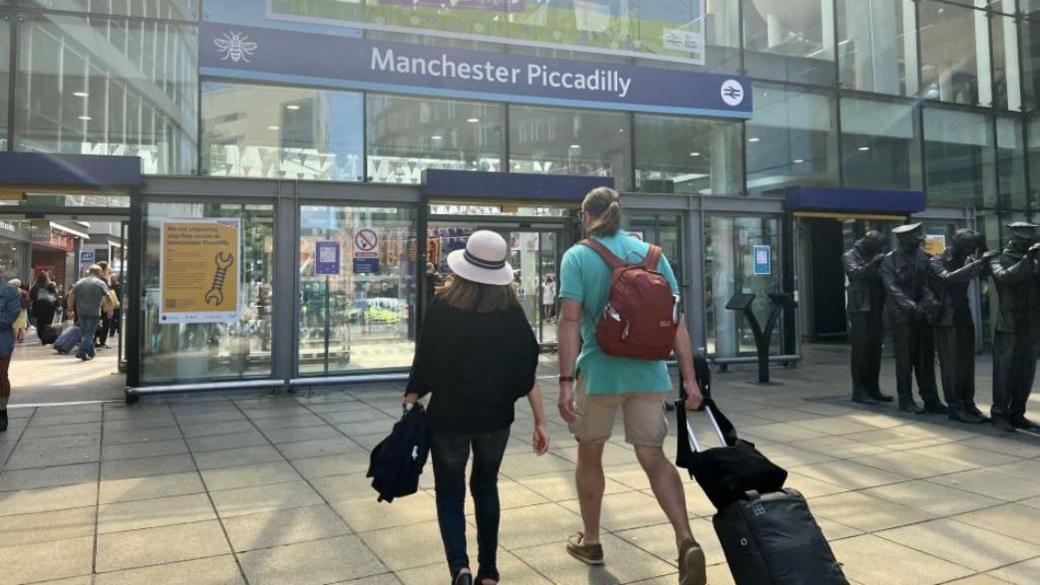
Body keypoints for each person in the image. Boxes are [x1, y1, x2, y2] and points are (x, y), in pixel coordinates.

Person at [556, 187, 706, 585]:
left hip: (600, 373)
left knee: (590, 453)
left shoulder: (578, 256)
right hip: (649, 374)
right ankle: (686, 539)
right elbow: (676, 321)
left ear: (586, 216)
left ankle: (591, 540)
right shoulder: (652, 255)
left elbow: (569, 321)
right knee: (654, 457)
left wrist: (566, 382)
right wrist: (689, 378)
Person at [404, 230, 549, 585]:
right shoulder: (511, 313)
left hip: (449, 417)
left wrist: (411, 400)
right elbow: (527, 366)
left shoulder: (443, 307)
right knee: (486, 487)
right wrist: (540, 420)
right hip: (494, 418)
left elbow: (426, 362)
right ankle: (489, 570)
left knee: (449, 492)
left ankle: (461, 567)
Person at [929, 229, 997, 424]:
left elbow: (984, 275)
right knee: (951, 366)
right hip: (946, 318)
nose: (970, 249)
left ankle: (968, 403)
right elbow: (949, 277)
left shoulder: (968, 258)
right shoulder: (937, 260)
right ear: (957, 243)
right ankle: (955, 407)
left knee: (967, 364)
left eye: (973, 246)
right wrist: (977, 262)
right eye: (968, 246)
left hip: (963, 316)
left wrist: (982, 250)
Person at [881, 223, 945, 415]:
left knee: (925, 359)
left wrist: (925, 305)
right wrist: (911, 307)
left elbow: (930, 284)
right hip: (902, 316)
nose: (920, 240)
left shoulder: (923, 257)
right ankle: (905, 400)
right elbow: (892, 288)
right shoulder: (889, 260)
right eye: (915, 237)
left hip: (923, 314)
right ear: (903, 239)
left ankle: (931, 400)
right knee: (905, 359)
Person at [989, 222, 1040, 433]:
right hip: (1009, 324)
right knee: (1005, 372)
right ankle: (999, 414)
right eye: (1023, 239)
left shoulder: (1034, 260)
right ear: (1013, 238)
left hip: (1031, 324)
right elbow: (1005, 278)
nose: (1027, 243)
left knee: (1026, 372)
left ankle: (1017, 413)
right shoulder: (997, 259)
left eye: (1030, 240)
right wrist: (1027, 260)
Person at [842, 231, 891, 405]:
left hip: (876, 305)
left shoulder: (873, 254)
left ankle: (873, 388)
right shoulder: (849, 255)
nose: (880, 249)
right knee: (861, 350)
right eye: (878, 245)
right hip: (860, 307)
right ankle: (859, 391)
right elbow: (855, 274)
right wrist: (873, 263)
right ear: (869, 242)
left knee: (875, 349)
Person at [67, 265, 113, 361]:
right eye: (100, 273)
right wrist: (110, 310)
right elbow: (108, 297)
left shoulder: (79, 282)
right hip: (94, 311)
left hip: (81, 311)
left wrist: (70, 309)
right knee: (90, 333)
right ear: (98, 273)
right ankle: (82, 351)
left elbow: (71, 296)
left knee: (85, 333)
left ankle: (91, 352)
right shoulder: (100, 283)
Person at [0, 264, 24, 432]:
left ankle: (2, 411)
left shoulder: (9, 291)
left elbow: (10, 317)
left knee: (1, 377)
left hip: (2, 342)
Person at [29, 272, 59, 341]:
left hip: (38, 308)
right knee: (48, 323)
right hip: (49, 308)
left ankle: (41, 336)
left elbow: (31, 297)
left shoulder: (35, 287)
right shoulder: (50, 286)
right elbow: (55, 296)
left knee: (40, 323)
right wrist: (57, 306)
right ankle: (47, 336)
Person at [8, 279, 29, 343]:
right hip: (23, 310)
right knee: (22, 326)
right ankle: (21, 339)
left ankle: (15, 339)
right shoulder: (23, 292)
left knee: (15, 326)